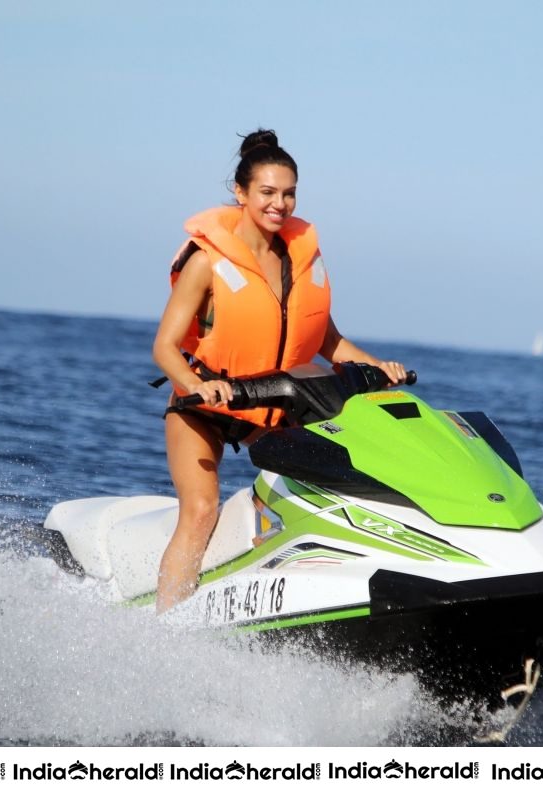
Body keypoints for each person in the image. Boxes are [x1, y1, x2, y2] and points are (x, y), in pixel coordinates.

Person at [151, 129, 406, 613]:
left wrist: (379, 367)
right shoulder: (207, 262)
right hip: (203, 407)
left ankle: (288, 596)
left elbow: (329, 342)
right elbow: (164, 348)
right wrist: (199, 386)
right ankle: (165, 627)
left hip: (271, 406)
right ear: (241, 193)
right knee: (201, 510)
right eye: (267, 192)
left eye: (289, 193)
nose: (280, 204)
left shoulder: (299, 260)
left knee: (326, 488)